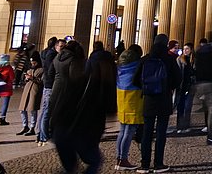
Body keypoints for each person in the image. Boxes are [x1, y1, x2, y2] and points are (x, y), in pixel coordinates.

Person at [50, 39, 117, 174]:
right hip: (77, 132)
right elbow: (101, 115)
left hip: (61, 131)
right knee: (94, 161)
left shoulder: (71, 82)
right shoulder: (97, 90)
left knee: (70, 167)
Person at [134, 34, 181, 173]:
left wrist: (146, 88)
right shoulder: (169, 60)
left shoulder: (145, 59)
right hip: (164, 100)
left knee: (147, 133)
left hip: (149, 100)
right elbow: (178, 79)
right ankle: (159, 164)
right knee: (161, 133)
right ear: (166, 44)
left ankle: (144, 164)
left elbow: (135, 80)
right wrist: (168, 87)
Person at [115, 43, 144, 171]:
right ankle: (123, 160)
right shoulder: (136, 67)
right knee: (129, 131)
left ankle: (119, 158)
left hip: (122, 100)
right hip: (134, 101)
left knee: (122, 131)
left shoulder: (120, 67)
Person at [194, 38, 212, 145]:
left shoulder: (200, 55)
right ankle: (211, 136)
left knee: (207, 109)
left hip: (201, 84)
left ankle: (186, 123)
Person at [37, 37, 63, 146]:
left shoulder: (47, 54)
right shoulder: (52, 56)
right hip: (50, 85)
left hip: (48, 84)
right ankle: (44, 136)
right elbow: (51, 72)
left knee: (45, 111)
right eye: (61, 46)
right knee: (47, 111)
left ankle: (41, 135)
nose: (62, 49)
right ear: (55, 46)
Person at [17, 55, 43, 136]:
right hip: (26, 90)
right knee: (22, 109)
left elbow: (42, 81)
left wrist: (32, 78)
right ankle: (25, 126)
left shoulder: (41, 70)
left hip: (34, 91)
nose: (33, 64)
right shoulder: (29, 69)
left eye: (34, 62)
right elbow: (24, 80)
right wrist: (26, 78)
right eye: (32, 62)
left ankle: (32, 127)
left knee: (32, 109)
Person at [174, 43, 195, 133]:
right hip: (181, 86)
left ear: (191, 50)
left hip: (189, 86)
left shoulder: (193, 60)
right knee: (180, 106)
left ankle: (186, 125)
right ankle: (179, 126)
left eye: (187, 49)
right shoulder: (179, 59)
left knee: (187, 107)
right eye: (184, 49)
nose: (185, 50)